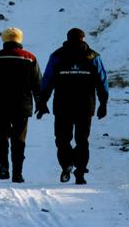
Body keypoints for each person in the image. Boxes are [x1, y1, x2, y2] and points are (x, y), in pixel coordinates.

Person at [36, 28, 108, 185]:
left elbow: (47, 81)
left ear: (67, 38)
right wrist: (103, 103)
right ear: (84, 39)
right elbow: (102, 82)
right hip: (85, 106)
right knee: (82, 140)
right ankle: (80, 172)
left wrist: (42, 102)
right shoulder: (93, 57)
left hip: (63, 105)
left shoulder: (57, 56)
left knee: (62, 139)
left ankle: (67, 164)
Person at [0, 27, 42, 183]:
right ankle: (17, 173)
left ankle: (3, 167)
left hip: (0, 105)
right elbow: (38, 84)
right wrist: (41, 103)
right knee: (19, 139)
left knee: (1, 136)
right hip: (22, 106)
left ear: (3, 39)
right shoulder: (29, 58)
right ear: (20, 39)